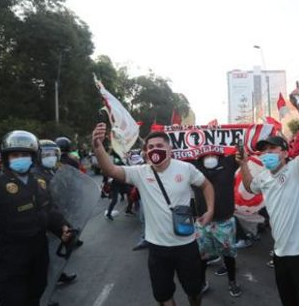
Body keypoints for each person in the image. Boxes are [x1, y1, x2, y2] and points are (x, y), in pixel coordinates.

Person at [92, 125, 215, 306]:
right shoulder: (140, 173)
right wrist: (98, 147)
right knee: (163, 296)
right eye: (150, 147)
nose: (154, 150)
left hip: (186, 245)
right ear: (146, 152)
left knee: (194, 291)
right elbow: (111, 170)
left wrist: (210, 210)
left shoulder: (186, 168)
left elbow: (206, 185)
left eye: (159, 145)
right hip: (157, 249)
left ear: (169, 148)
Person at [0, 130, 73, 306]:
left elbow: (50, 210)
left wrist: (62, 227)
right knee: (12, 298)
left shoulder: (40, 183)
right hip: (10, 255)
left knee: (36, 292)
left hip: (39, 250)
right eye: (15, 155)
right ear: (7, 157)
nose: (20, 158)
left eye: (25, 154)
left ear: (33, 157)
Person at [238, 88, 299, 306]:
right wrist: (243, 163)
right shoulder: (264, 177)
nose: (267, 154)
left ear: (285, 152)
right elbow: (250, 186)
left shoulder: (297, 168)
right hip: (280, 254)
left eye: (273, 149)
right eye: (264, 151)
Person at [192, 152, 242, 297]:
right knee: (202, 256)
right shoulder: (193, 165)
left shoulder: (228, 162)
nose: (209, 155)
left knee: (229, 255)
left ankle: (232, 281)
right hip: (202, 221)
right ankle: (202, 282)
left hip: (225, 220)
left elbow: (243, 150)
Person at [32, 140, 78, 286]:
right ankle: (43, 292)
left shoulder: (50, 170)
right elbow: (45, 203)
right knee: (41, 258)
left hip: (54, 216)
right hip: (40, 222)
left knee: (53, 251)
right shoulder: (36, 175)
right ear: (38, 156)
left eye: (53, 154)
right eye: (46, 154)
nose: (50, 157)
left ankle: (55, 276)